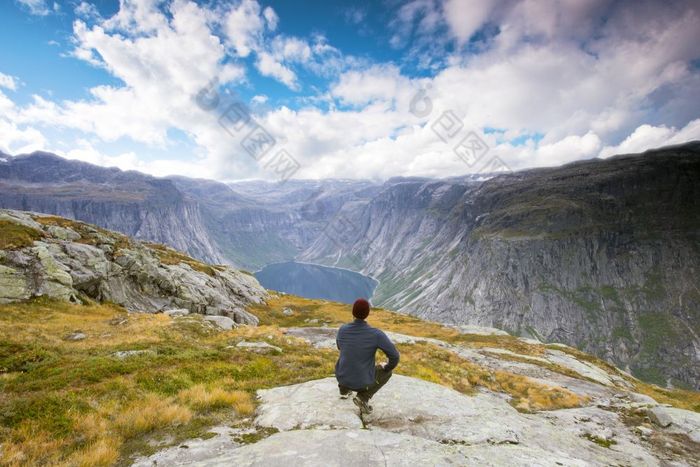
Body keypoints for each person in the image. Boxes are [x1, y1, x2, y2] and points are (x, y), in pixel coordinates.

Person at [335, 298, 400, 414]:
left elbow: (340, 347)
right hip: (362, 383)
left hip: (342, 377)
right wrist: (386, 367)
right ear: (367, 314)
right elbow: (394, 356)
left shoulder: (342, 329)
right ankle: (363, 397)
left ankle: (344, 389)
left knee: (346, 358)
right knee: (387, 373)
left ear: (353, 312)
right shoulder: (376, 334)